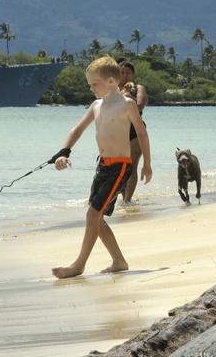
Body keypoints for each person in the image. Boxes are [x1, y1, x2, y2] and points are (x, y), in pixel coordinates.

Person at [50, 56, 151, 278]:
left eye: (95, 84)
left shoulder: (127, 105)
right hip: (103, 166)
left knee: (92, 215)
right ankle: (119, 261)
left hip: (120, 167)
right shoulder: (96, 106)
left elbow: (142, 133)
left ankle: (78, 265)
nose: (91, 89)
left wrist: (147, 165)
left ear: (112, 82)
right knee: (98, 218)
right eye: (90, 84)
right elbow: (77, 130)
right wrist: (64, 152)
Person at [118, 59, 148, 202]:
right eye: (122, 72)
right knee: (119, 167)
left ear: (133, 75)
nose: (125, 75)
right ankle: (123, 196)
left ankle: (127, 200)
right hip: (117, 131)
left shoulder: (138, 88)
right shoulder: (112, 90)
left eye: (128, 73)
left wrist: (128, 96)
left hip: (135, 130)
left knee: (132, 165)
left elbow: (141, 104)